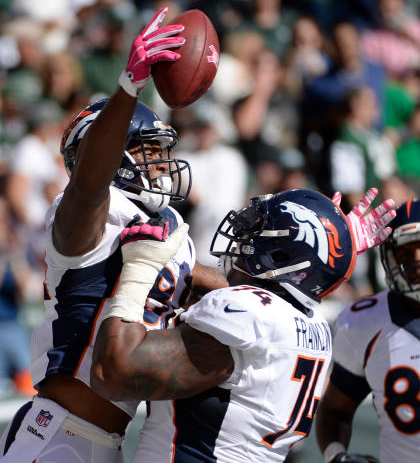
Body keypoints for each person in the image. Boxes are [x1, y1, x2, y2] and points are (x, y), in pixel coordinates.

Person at [0, 7, 226, 463]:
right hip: (58, 435)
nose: (163, 166)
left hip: (114, 442)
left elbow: (226, 289)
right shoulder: (85, 210)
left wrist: (324, 261)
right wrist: (128, 88)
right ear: (110, 154)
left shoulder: (171, 230)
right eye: (149, 152)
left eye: (164, 153)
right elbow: (88, 185)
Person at [91, 188, 396, 462]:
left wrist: (139, 267)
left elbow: (112, 373)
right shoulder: (312, 323)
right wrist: (334, 248)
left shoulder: (247, 314)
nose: (244, 239)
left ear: (281, 255)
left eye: (259, 233)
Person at [316, 199, 420, 463]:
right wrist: (337, 456)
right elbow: (335, 410)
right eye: (405, 253)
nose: (417, 261)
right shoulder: (366, 321)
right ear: (389, 259)